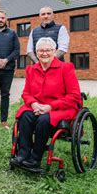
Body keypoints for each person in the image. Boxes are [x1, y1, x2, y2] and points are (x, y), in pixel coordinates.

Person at [11, 37, 81, 169]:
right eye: (41, 50)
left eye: (48, 50)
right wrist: (33, 104)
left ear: (54, 52)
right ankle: (23, 154)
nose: (44, 53)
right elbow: (26, 93)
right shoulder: (32, 70)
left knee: (43, 119)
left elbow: (74, 96)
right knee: (26, 116)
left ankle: (35, 158)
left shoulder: (65, 68)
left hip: (60, 108)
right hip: (37, 106)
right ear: (36, 53)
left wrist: (51, 107)